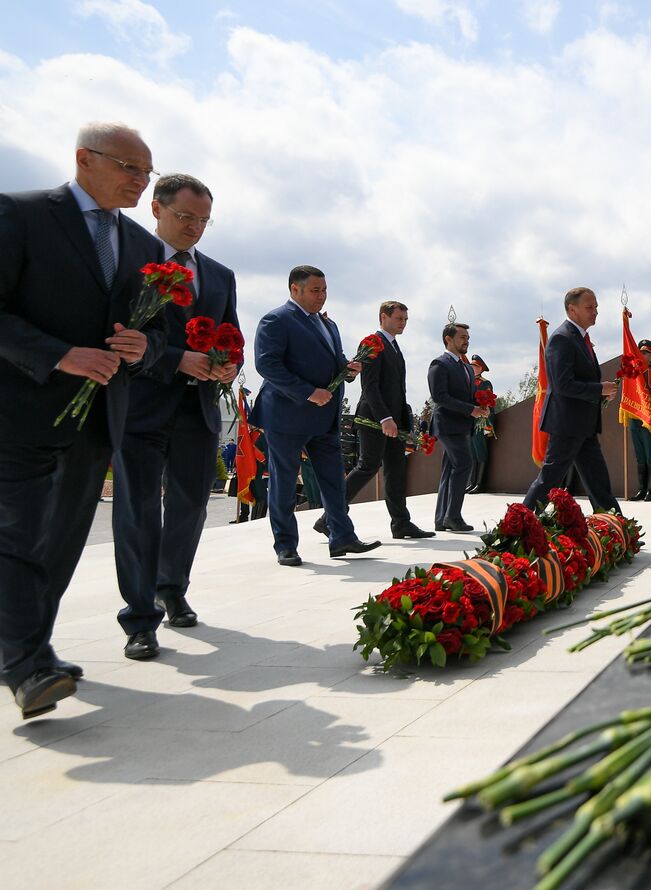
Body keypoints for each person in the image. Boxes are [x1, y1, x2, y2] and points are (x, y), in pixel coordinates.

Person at [0, 122, 164, 718]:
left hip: (97, 421)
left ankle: (25, 650)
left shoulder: (145, 249)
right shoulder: (20, 215)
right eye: (129, 168)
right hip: (19, 412)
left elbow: (157, 332)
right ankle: (27, 664)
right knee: (17, 538)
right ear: (83, 160)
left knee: (61, 545)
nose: (141, 182)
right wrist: (58, 355)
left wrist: (143, 347)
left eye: (147, 172)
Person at [111, 173, 237, 659]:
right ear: (156, 210)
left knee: (190, 506)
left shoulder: (220, 275)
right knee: (138, 510)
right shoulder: (129, 263)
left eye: (204, 220)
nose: (195, 228)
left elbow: (230, 333)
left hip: (197, 408)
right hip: (140, 406)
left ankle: (172, 587)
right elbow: (118, 333)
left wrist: (227, 364)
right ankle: (139, 619)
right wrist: (172, 358)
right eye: (185, 217)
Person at [249, 265, 380, 566]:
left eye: (324, 290)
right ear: (295, 289)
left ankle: (342, 537)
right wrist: (308, 391)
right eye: (315, 290)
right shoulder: (276, 320)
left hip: (324, 418)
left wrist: (347, 370)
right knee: (283, 483)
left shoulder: (328, 324)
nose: (321, 296)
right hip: (286, 417)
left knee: (334, 480)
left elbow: (331, 362)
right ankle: (285, 545)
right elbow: (267, 365)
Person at [318, 301, 433, 538]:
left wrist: (401, 420)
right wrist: (385, 418)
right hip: (374, 418)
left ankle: (401, 523)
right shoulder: (372, 343)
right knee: (367, 467)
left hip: (394, 420)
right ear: (384, 317)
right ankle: (328, 517)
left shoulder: (394, 346)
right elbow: (369, 386)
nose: (403, 323)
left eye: (405, 320)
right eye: (399, 318)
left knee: (396, 470)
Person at [523, 287, 622, 514]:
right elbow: (562, 384)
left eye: (596, 307)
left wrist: (601, 391)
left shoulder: (581, 338)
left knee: (598, 480)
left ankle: (616, 528)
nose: (595, 311)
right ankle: (518, 526)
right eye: (589, 307)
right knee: (549, 480)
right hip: (567, 424)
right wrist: (599, 389)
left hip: (583, 424)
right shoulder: (562, 338)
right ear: (572, 309)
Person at [427, 323, 488, 531]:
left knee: (450, 468)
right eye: (462, 337)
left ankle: (441, 519)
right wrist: (470, 409)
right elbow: (440, 397)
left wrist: (481, 406)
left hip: (462, 425)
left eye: (467, 337)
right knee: (464, 463)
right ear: (448, 339)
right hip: (447, 425)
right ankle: (453, 517)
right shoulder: (439, 364)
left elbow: (469, 396)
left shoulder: (465, 367)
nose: (466, 341)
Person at [626, 339, 651, 502]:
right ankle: (641, 489)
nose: (641, 355)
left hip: (648, 420)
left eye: (645, 353)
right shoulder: (633, 375)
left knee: (650, 455)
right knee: (640, 456)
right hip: (635, 419)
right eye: (640, 352)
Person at [466, 353, 494, 493]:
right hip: (471, 420)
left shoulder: (485, 383)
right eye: (471, 365)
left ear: (481, 368)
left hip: (481, 420)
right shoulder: (470, 382)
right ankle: (472, 482)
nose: (472, 367)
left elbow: (488, 403)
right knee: (472, 451)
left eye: (475, 366)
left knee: (480, 450)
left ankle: (479, 483)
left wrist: (487, 422)